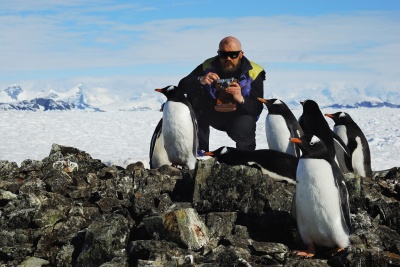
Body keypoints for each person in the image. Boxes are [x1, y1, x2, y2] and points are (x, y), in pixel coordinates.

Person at [178, 36, 266, 154]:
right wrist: (200, 80)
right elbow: (182, 86)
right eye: (223, 54)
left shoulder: (254, 71)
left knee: (247, 121)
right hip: (212, 113)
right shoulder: (208, 66)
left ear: (241, 54)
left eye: (233, 54)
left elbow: (257, 108)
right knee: (194, 93)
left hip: (239, 116)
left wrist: (240, 99)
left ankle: (245, 158)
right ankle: (200, 152)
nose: (228, 58)